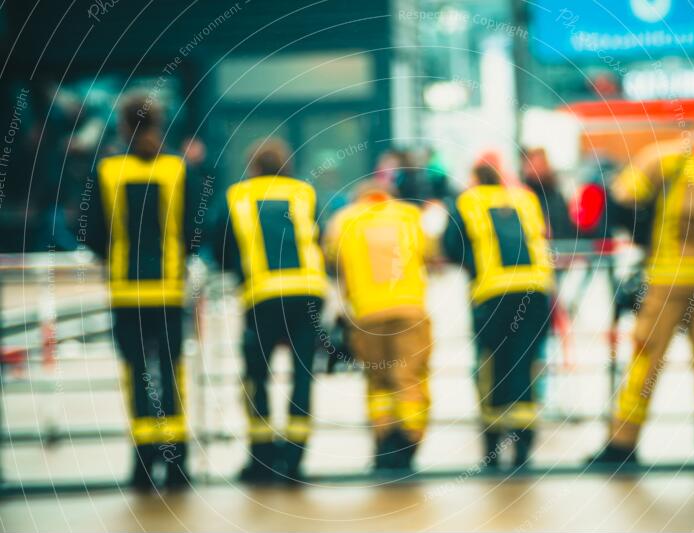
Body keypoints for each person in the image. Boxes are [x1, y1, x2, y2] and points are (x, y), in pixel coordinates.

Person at [589, 122, 694, 475]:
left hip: (667, 279)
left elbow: (622, 197)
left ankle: (623, 443)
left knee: (646, 359)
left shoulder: (663, 158)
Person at [82, 95, 197, 491]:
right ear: (161, 122)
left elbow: (91, 232)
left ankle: (143, 466)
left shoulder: (107, 171)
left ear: (123, 125)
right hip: (168, 290)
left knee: (136, 374)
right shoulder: (178, 169)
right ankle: (179, 461)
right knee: (171, 370)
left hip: (126, 291)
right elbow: (195, 231)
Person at [212, 138, 327, 484]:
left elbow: (219, 245)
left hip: (262, 296)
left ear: (253, 167)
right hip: (307, 293)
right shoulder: (305, 193)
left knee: (256, 375)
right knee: (303, 375)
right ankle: (294, 460)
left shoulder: (237, 196)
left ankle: (261, 459)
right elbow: (317, 238)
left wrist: (239, 271)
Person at [442, 156, 554, 469]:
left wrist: (473, 266)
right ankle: (523, 445)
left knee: (491, 364)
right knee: (525, 363)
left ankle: (492, 445)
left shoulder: (467, 201)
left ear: (475, 178)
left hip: (494, 295)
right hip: (535, 292)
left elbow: (451, 246)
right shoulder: (525, 198)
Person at [324, 180, 433, 471]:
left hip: (366, 314)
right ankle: (409, 441)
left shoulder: (344, 219)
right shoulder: (409, 215)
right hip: (409, 310)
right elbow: (431, 251)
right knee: (409, 378)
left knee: (378, 380)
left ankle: (384, 440)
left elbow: (331, 258)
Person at [521, 147, 573, 240]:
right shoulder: (522, 196)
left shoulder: (556, 197)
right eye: (530, 165)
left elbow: (564, 229)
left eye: (538, 165)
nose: (534, 170)